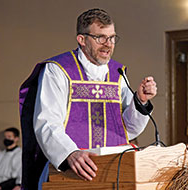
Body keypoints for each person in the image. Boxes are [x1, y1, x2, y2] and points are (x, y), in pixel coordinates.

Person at [19, 8, 157, 189]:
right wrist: (70, 153)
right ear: (82, 40)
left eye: (112, 37)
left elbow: (127, 131)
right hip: (70, 172)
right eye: (100, 38)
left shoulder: (118, 73)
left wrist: (140, 102)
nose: (108, 44)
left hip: (112, 172)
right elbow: (47, 122)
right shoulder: (59, 70)